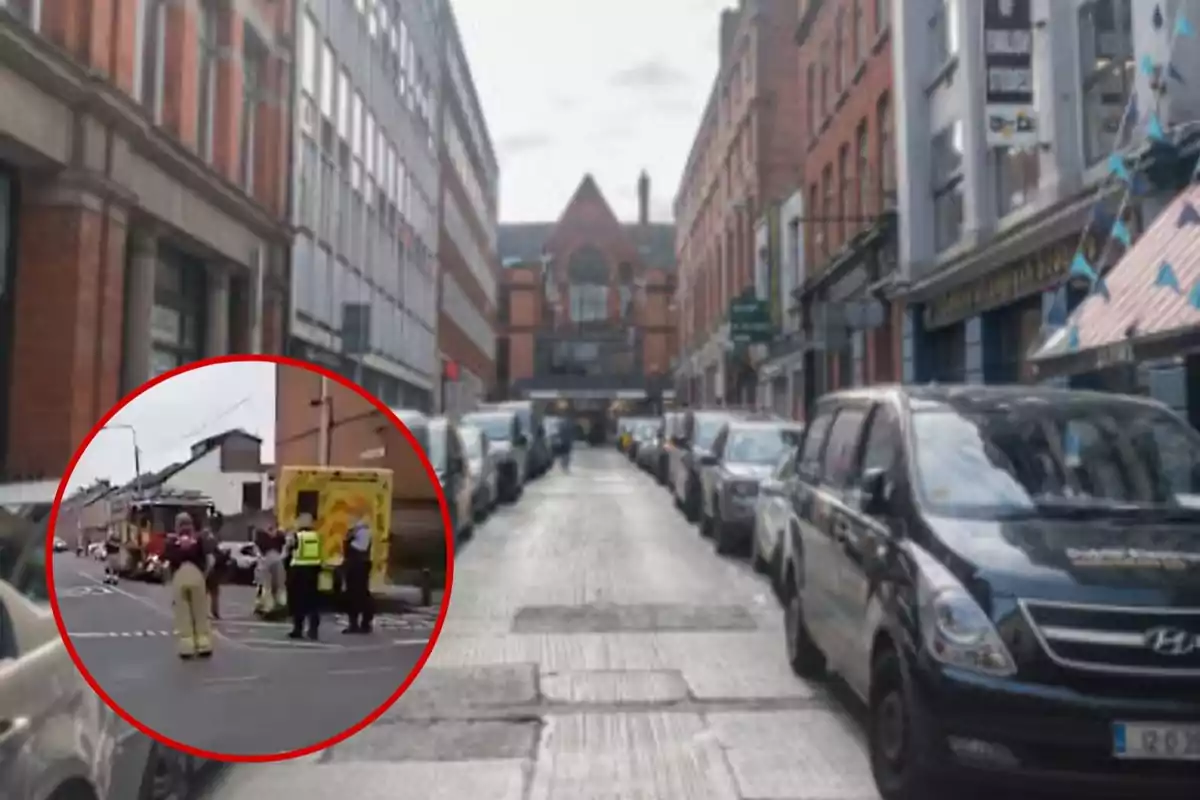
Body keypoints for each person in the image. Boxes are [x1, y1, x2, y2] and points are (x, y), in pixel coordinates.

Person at [165, 511, 213, 658]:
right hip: (197, 576)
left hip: (180, 577)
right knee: (200, 611)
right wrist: (205, 576)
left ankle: (187, 645)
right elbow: (209, 560)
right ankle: (203, 642)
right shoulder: (199, 541)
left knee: (183, 613)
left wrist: (169, 580)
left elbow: (168, 563)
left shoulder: (171, 543)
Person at [286, 512, 322, 640]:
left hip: (298, 571)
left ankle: (298, 629)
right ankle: (313, 630)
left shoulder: (297, 536)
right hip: (313, 571)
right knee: (313, 603)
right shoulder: (317, 536)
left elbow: (288, 551)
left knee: (298, 602)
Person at [342, 517, 374, 634]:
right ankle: (356, 623)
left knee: (358, 595)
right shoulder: (360, 532)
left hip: (359, 567)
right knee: (354, 595)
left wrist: (350, 537)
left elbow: (360, 548)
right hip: (355, 566)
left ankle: (363, 623)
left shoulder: (363, 533)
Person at [254, 524, 288, 619]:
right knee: (267, 586)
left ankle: (277, 604)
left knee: (278, 585)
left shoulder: (279, 539)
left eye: (273, 529)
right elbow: (258, 552)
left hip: (274, 561)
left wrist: (281, 556)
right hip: (268, 562)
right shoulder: (263, 539)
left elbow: (285, 548)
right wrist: (261, 559)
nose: (272, 532)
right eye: (270, 530)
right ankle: (269, 605)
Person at [202, 525, 225, 620]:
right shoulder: (212, 543)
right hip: (213, 572)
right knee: (214, 594)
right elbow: (218, 554)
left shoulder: (202, 543)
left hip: (207, 571)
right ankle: (214, 612)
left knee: (204, 593)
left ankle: (202, 612)